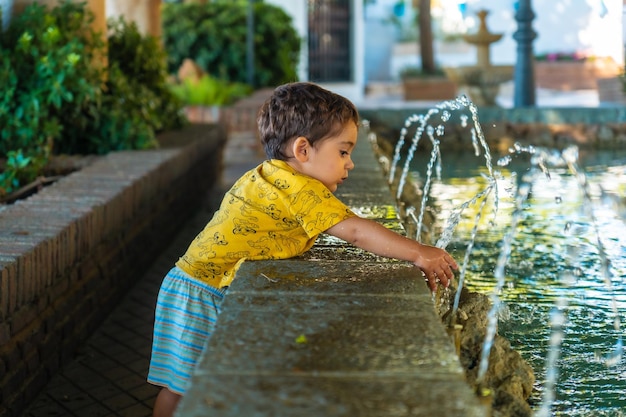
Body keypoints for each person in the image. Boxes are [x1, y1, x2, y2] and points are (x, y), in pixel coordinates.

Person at [147, 82, 459, 417]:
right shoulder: (298, 188)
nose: (350, 164)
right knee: (184, 389)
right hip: (202, 291)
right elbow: (354, 231)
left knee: (184, 387)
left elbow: (345, 220)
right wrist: (417, 252)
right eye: (343, 151)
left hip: (193, 282)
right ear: (303, 150)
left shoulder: (273, 176)